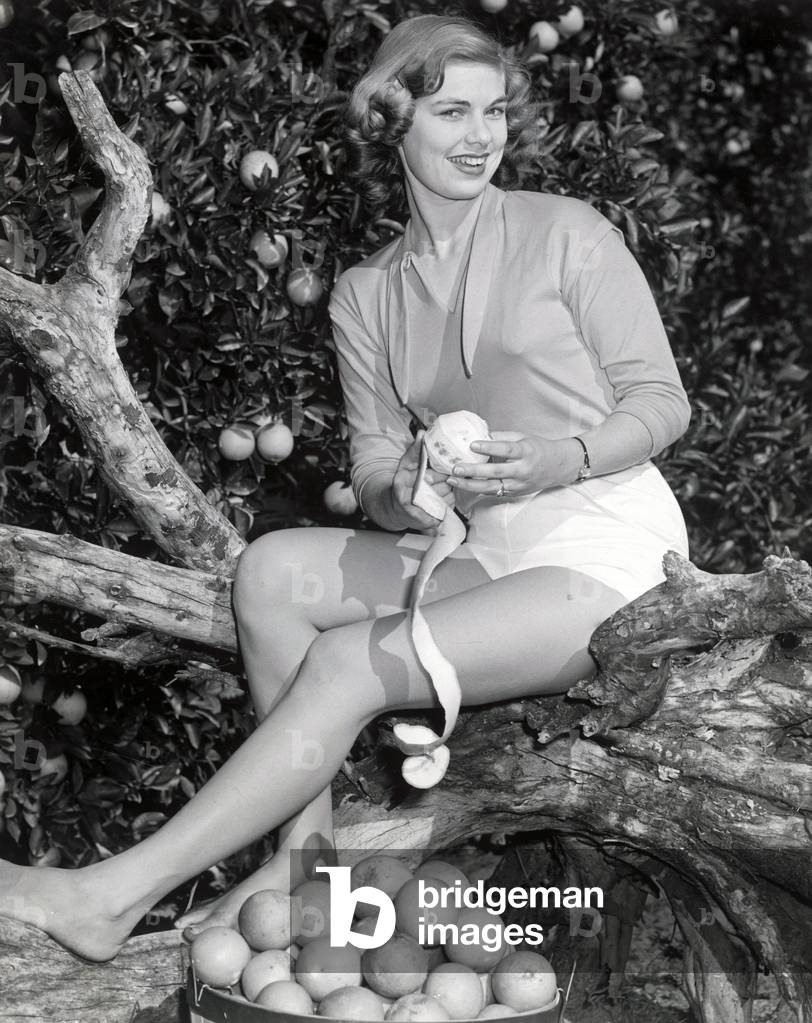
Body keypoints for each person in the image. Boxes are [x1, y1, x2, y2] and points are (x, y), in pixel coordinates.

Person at [0, 14, 690, 960]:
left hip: (605, 542)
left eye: (492, 110)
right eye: (451, 111)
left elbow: (664, 401)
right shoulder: (365, 293)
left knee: (349, 664)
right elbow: (371, 471)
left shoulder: (569, 232)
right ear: (392, 120)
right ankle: (307, 863)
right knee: (272, 572)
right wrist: (404, 492)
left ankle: (109, 897)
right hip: (482, 551)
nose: (480, 135)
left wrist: (560, 456)